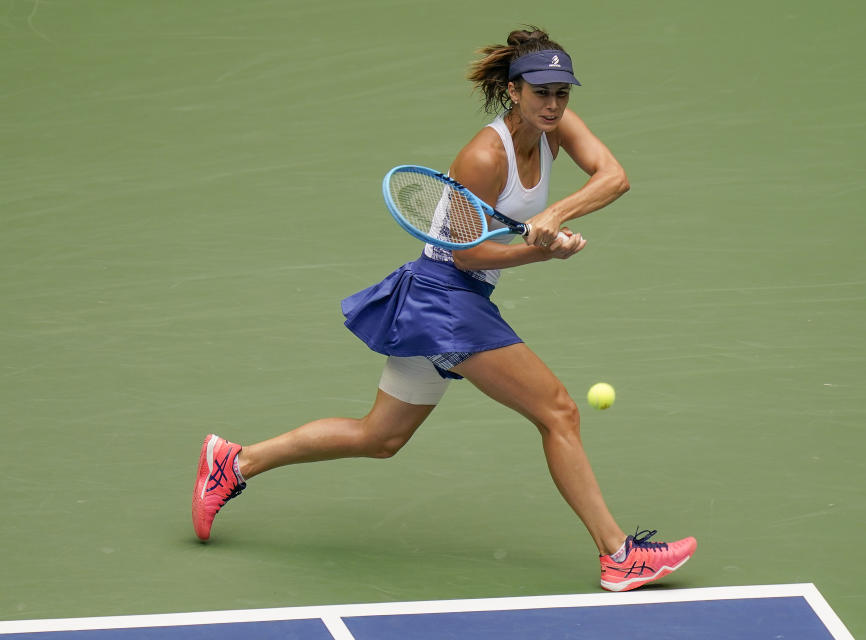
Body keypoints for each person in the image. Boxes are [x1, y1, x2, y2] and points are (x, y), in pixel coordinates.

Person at [192, 27, 696, 592]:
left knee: (379, 437)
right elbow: (466, 256)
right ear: (513, 92)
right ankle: (618, 555)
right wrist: (542, 249)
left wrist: (556, 217)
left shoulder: (556, 129)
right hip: (443, 298)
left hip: (456, 302)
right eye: (540, 92)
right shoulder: (482, 157)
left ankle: (233, 463)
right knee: (558, 412)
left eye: (562, 92)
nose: (553, 104)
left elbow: (614, 177)